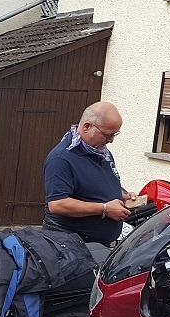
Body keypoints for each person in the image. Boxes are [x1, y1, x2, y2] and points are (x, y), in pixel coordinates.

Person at [43, 101, 136, 246]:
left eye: (114, 134)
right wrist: (104, 209)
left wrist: (121, 196)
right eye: (107, 135)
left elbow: (96, 186)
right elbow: (57, 204)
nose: (111, 140)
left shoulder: (100, 152)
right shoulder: (61, 158)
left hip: (95, 245)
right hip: (70, 245)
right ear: (87, 126)